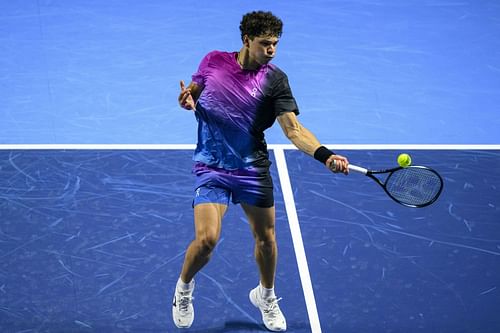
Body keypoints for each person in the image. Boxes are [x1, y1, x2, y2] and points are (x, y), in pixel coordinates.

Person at [172, 10, 349, 332]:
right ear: (246, 40)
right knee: (207, 240)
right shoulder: (213, 61)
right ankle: (184, 288)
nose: (272, 50)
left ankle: (265, 295)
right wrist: (187, 100)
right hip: (211, 165)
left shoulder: (275, 79)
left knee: (266, 240)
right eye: (265, 43)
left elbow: (293, 130)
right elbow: (195, 94)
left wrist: (325, 155)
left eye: (275, 44)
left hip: (251, 169)